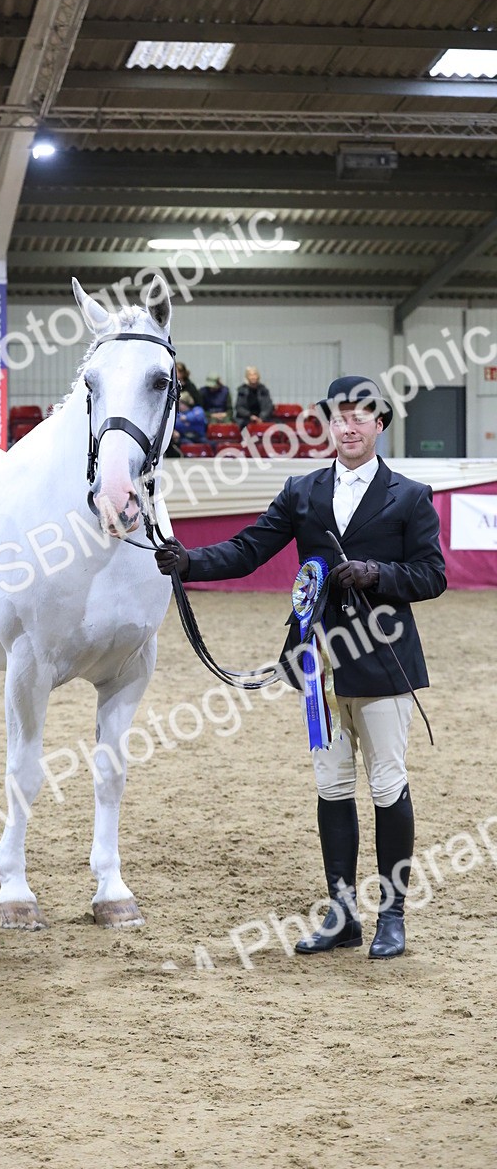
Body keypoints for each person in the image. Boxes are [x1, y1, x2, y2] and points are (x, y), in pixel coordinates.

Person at [155, 376, 446, 960]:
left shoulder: (410, 496)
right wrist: (189, 561)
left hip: (384, 663)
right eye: (340, 415)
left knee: (388, 786)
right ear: (328, 423)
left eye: (362, 416)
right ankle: (342, 915)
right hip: (319, 665)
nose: (349, 425)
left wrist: (376, 574)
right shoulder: (303, 491)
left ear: (379, 424)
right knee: (332, 788)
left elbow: (432, 575)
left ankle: (391, 915)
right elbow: (247, 549)